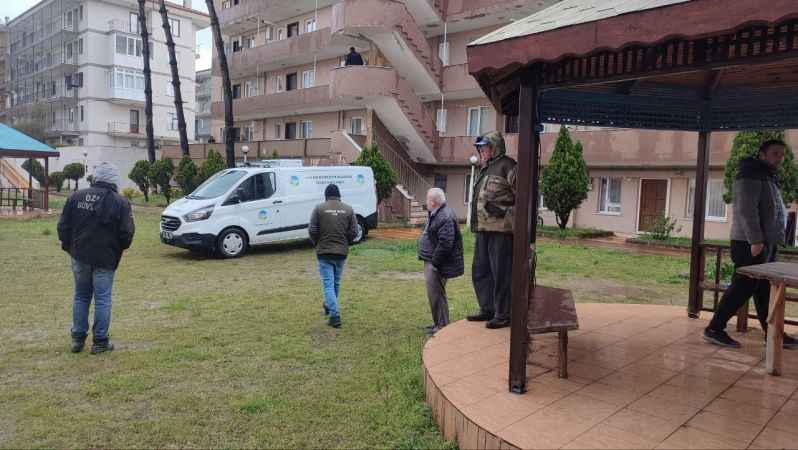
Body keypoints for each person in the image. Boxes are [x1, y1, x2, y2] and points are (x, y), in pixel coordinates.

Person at [704, 139, 798, 349]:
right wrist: (756, 241)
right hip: (749, 243)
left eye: (782, 155)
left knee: (764, 289)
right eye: (775, 154)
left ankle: (772, 334)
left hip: (766, 243)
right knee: (743, 286)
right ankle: (714, 328)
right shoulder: (749, 175)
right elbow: (747, 211)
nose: (780, 159)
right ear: (762, 154)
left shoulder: (767, 176)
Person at [57, 162, 135, 354]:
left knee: (81, 296)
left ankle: (77, 339)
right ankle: (100, 341)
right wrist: (119, 249)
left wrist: (70, 248)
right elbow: (127, 233)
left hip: (79, 255)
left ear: (96, 178)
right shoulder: (120, 202)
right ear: (114, 180)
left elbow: (63, 227)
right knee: (102, 298)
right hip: (106, 257)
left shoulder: (75, 197)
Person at [467, 131, 517, 329]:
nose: (481, 151)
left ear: (495, 147)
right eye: (479, 148)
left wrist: (505, 211)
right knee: (480, 270)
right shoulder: (485, 168)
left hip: (501, 231)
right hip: (483, 229)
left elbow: (525, 197)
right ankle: (487, 308)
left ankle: (503, 314)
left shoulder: (508, 166)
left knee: (501, 273)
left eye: (484, 147)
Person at [309, 183, 359, 328]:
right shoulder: (348, 210)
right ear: (339, 195)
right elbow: (354, 232)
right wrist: (346, 242)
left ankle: (335, 316)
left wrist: (317, 243)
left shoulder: (319, 208)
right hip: (341, 253)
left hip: (324, 252)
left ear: (326, 195)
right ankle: (329, 305)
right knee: (335, 283)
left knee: (328, 285)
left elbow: (312, 229)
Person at [417, 188, 464, 336]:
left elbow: (446, 243)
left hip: (436, 263)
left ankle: (442, 326)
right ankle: (438, 323)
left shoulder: (445, 216)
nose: (426, 202)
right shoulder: (437, 213)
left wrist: (435, 263)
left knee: (437, 294)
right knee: (434, 295)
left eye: (427, 199)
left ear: (433, 201)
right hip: (432, 260)